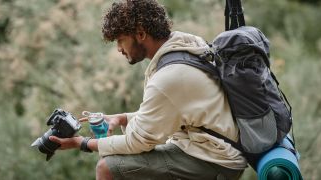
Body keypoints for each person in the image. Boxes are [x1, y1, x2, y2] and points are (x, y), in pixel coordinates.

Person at [49, 0, 247, 179]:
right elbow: (167, 112)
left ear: (141, 34)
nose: (118, 49)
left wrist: (81, 143)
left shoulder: (169, 77)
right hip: (211, 149)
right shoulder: (185, 47)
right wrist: (124, 118)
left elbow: (137, 142)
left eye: (120, 40)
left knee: (107, 168)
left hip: (215, 161)